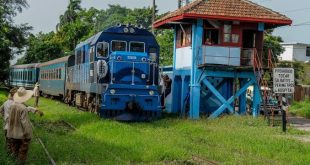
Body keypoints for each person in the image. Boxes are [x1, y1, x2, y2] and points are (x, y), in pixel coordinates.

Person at [7, 87, 44, 164]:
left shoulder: (12, 105)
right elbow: (25, 123)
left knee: (15, 151)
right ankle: (20, 163)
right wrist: (28, 135)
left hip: (12, 134)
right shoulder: (23, 108)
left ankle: (13, 162)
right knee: (22, 153)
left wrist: (35, 110)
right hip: (21, 135)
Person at [0, 87, 18, 153]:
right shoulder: (16, 104)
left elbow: (0, 110)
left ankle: (8, 154)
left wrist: (3, 116)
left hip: (6, 126)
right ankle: (13, 156)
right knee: (14, 142)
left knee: (8, 141)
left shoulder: (6, 102)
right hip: (14, 127)